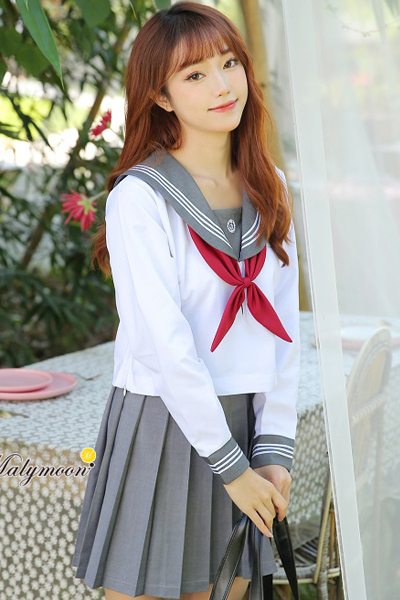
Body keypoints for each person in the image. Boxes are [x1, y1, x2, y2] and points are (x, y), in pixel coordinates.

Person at [71, 3, 301, 600]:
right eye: (195, 74)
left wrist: (273, 450)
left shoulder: (270, 187)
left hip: (246, 429)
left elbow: (284, 332)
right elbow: (164, 345)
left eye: (229, 64)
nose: (223, 85)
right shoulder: (140, 199)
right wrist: (231, 467)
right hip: (164, 423)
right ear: (161, 96)